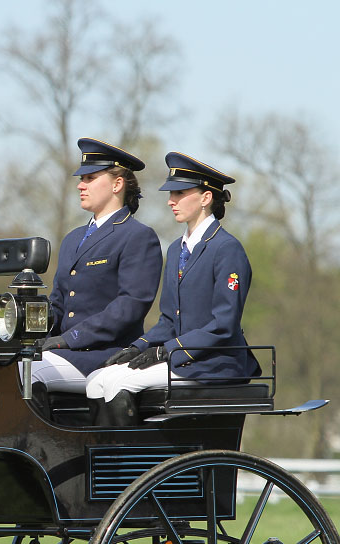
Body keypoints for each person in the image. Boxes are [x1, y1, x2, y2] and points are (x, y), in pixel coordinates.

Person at [85, 152, 261, 425]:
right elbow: (169, 319)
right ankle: (111, 464)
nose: (170, 201)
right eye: (171, 194)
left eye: (179, 193)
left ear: (206, 198)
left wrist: (167, 350)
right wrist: (138, 346)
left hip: (214, 364)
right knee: (97, 380)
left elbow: (223, 325)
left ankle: (130, 465)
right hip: (182, 359)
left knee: (119, 383)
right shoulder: (176, 249)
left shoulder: (227, 250)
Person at [30, 138, 162, 397]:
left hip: (106, 355)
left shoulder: (137, 236)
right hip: (63, 351)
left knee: (27, 373)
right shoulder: (72, 239)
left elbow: (129, 307)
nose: (81, 185)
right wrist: (30, 327)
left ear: (117, 184)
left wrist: (68, 339)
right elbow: (59, 302)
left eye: (90, 178)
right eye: (82, 178)